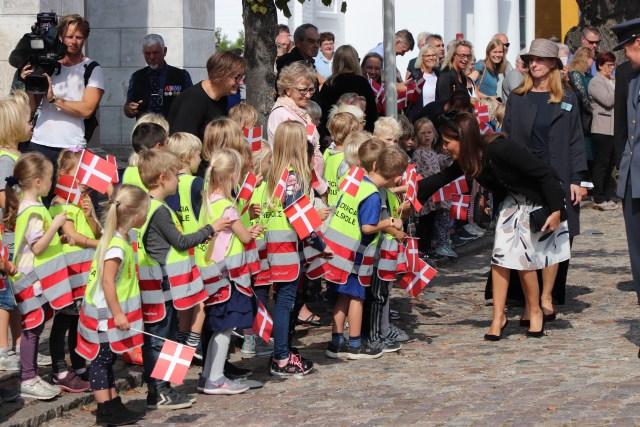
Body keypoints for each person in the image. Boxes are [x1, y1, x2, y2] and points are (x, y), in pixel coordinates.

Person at [418, 111, 570, 339]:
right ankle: (498, 317)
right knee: (500, 255)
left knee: (527, 257)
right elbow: (440, 179)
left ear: (463, 139)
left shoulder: (501, 149)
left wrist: (557, 210)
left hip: (541, 198)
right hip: (513, 202)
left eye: (448, 142)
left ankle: (536, 310)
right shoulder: (469, 158)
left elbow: (544, 175)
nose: (445, 147)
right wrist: (409, 194)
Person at [504, 38, 588, 311]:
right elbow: (506, 140)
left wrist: (577, 179)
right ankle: (527, 298)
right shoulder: (518, 98)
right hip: (526, 175)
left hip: (559, 173)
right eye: (531, 60)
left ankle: (548, 296)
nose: (534, 64)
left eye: (540, 60)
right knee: (525, 235)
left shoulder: (567, 98)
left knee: (557, 235)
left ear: (553, 64)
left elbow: (576, 140)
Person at [136, 149, 222, 409]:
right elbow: (181, 242)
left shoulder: (151, 206)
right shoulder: (159, 210)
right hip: (161, 283)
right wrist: (211, 229)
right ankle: (159, 391)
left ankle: (166, 388)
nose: (179, 179)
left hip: (163, 283)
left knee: (168, 334)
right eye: (176, 175)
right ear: (163, 178)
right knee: (160, 338)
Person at [324, 142, 407, 359]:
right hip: (354, 255)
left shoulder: (358, 182)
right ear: (397, 178)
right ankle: (355, 344)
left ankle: (336, 342)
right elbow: (367, 227)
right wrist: (389, 221)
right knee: (357, 298)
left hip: (338, 251)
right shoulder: (372, 195)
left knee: (342, 296)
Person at [76, 184, 148, 426]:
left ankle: (113, 403)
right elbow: (107, 280)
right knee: (101, 360)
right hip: (103, 315)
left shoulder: (120, 238)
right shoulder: (117, 246)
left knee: (107, 359)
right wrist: (118, 313)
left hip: (106, 314)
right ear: (136, 215)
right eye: (145, 211)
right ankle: (105, 410)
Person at [264, 121, 331, 377]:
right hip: (286, 247)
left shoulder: (277, 172)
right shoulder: (291, 177)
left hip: (283, 245)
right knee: (285, 302)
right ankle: (281, 357)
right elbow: (298, 217)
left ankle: (283, 350)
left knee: (287, 301)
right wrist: (320, 244)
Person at [6, 152, 73, 399]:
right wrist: (55, 225)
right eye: (49, 178)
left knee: (34, 325)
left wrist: (58, 236)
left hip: (31, 277)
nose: (52, 182)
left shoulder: (26, 205)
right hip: (30, 279)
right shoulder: (33, 211)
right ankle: (28, 378)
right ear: (37, 182)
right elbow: (37, 247)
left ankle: (30, 374)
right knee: (32, 327)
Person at [198, 148, 262, 394]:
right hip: (230, 277)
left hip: (213, 273)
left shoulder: (206, 201)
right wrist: (253, 230)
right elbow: (244, 236)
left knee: (218, 326)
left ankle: (207, 376)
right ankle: (216, 378)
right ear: (232, 176)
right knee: (226, 327)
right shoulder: (227, 206)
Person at [21, 14, 105, 184]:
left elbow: (88, 109)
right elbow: (32, 107)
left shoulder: (92, 69)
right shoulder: (48, 64)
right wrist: (30, 83)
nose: (74, 41)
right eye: (69, 36)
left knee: (68, 203)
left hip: (71, 147)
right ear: (60, 37)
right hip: (39, 143)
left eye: (79, 37)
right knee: (39, 201)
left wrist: (54, 99)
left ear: (85, 38)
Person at [48, 149, 102, 393]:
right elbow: (71, 234)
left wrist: (91, 216)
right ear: (64, 175)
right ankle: (59, 367)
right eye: (78, 177)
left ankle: (79, 365)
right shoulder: (59, 204)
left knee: (80, 320)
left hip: (85, 271)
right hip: (69, 273)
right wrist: (98, 244)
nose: (83, 183)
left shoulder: (83, 202)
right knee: (64, 320)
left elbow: (96, 231)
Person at [0, 90, 31, 374]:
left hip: (18, 235)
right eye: (26, 119)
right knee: (7, 298)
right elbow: (4, 195)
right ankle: (3, 349)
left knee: (17, 295)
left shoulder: (16, 156)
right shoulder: (5, 160)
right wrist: (23, 209)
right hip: (9, 236)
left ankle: (21, 345)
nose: (31, 122)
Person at [611, 18, 640, 305]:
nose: (625, 56)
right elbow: (623, 125)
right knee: (636, 247)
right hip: (633, 175)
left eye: (627, 49)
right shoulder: (628, 76)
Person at [267, 62, 327, 196]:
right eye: (302, 90)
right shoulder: (283, 115)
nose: (308, 95)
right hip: (294, 188)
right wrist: (321, 188)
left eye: (311, 89)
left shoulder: (300, 112)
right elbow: (297, 157)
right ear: (288, 89)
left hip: (306, 183)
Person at [169, 51, 245, 142]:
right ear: (221, 75)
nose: (241, 82)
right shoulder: (193, 101)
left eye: (242, 77)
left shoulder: (222, 97)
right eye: (237, 78)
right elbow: (184, 146)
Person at [412, 118, 454, 259]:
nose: (426, 136)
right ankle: (421, 249)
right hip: (425, 194)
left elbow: (441, 164)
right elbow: (415, 171)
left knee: (431, 221)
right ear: (417, 135)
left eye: (429, 132)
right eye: (423, 133)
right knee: (424, 222)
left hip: (435, 194)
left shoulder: (434, 152)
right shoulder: (418, 153)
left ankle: (428, 247)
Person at [123, 34, 193, 120]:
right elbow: (128, 107)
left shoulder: (181, 75)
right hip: (145, 130)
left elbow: (192, 104)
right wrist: (130, 109)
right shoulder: (136, 77)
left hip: (172, 130)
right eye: (147, 53)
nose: (152, 57)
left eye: (156, 53)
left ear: (165, 51)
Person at [319, 44, 378, 132]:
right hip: (359, 131)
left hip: (335, 132)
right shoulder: (362, 82)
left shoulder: (329, 83)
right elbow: (372, 112)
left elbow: (323, 113)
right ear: (355, 61)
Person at [588, 51, 617, 211]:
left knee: (610, 164)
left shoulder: (611, 81)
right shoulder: (596, 82)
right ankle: (598, 196)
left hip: (613, 129)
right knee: (601, 163)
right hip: (602, 129)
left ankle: (606, 194)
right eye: (609, 65)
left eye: (613, 65)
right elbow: (607, 100)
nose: (611, 68)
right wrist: (617, 86)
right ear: (600, 65)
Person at [324, 112, 359, 207]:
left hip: (327, 204)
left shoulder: (327, 152)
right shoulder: (348, 160)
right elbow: (350, 190)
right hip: (340, 207)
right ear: (352, 131)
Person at [122, 122, 168, 190]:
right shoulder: (162, 173)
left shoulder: (128, 171)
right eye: (167, 142)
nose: (168, 146)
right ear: (158, 146)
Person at [406, 44, 440, 120]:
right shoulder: (416, 75)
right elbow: (409, 102)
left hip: (436, 119)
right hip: (419, 120)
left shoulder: (439, 75)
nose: (431, 58)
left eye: (433, 55)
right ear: (422, 57)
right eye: (428, 56)